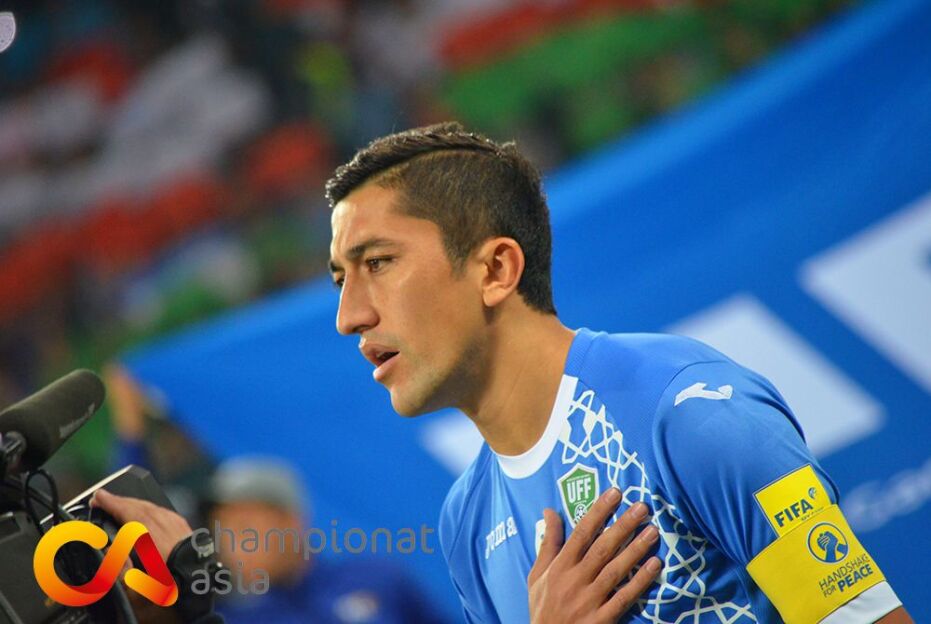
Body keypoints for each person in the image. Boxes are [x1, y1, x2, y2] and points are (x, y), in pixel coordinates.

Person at [95, 122, 913, 623]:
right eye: (340, 278)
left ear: (494, 269)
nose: (348, 315)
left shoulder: (689, 413)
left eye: (377, 263)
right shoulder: (465, 519)